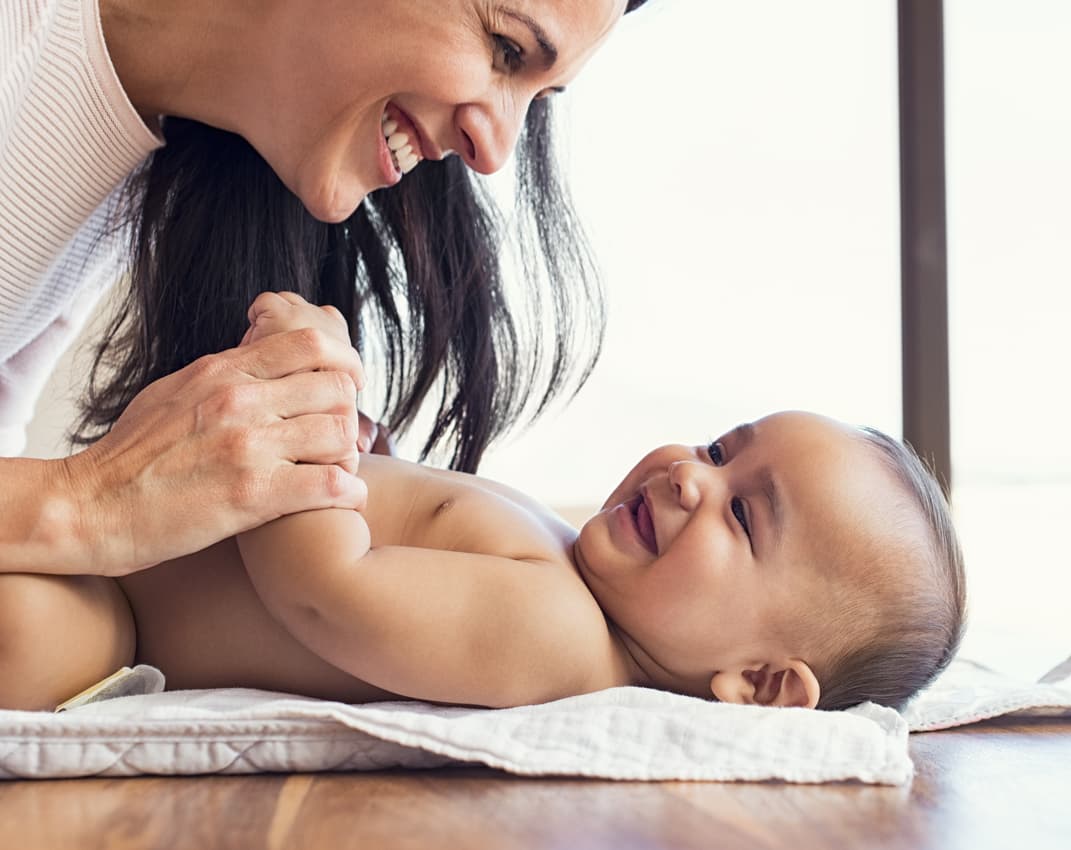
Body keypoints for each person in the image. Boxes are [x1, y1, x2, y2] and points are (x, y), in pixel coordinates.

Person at [0, 296, 967, 713]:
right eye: (720, 449)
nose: (689, 477)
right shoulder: (568, 571)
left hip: (119, 621)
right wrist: (378, 461)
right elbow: (408, 524)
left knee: (26, 627)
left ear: (759, 685)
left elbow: (326, 593)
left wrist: (307, 412)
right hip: (126, 554)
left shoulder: (559, 635)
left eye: (743, 516)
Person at [1, 0, 647, 580]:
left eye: (540, 96)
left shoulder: (129, 157)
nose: (496, 152)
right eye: (506, 49)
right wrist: (91, 501)